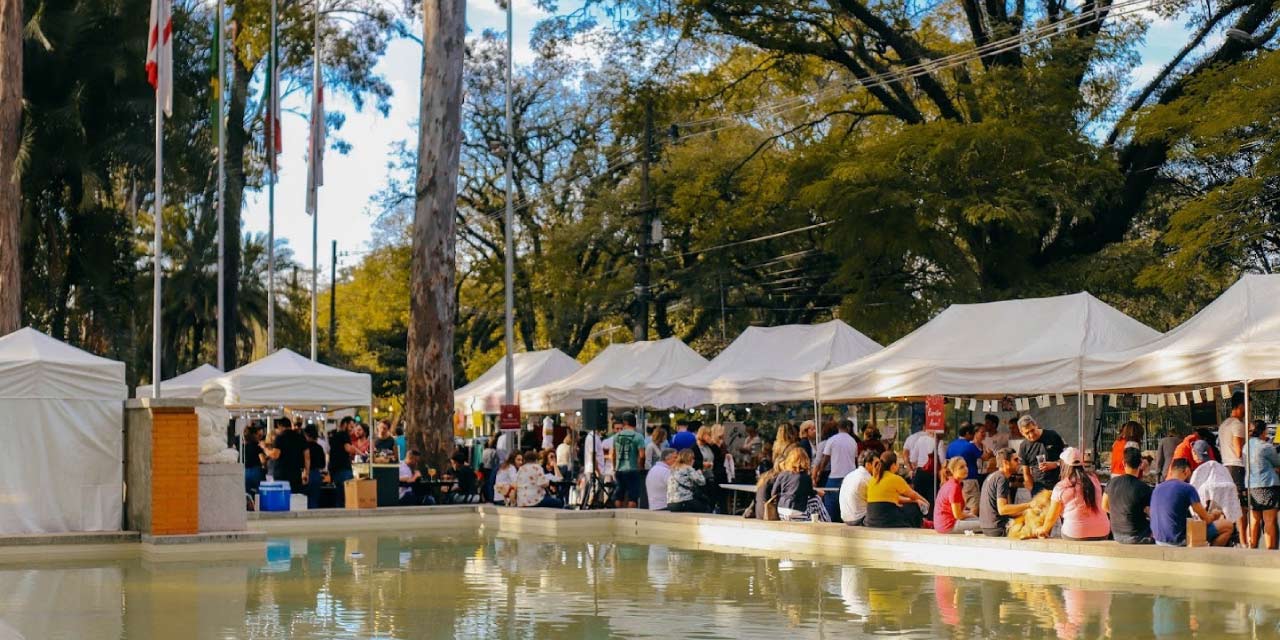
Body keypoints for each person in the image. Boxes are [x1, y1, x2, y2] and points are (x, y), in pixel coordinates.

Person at [1152, 458, 1234, 546]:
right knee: (1228, 526)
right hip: (1178, 540)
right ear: (1186, 471)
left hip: (1159, 540)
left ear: (1171, 471)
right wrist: (1215, 514)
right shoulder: (1188, 488)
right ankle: (1211, 555)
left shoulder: (1157, 488)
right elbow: (1207, 519)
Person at [1034, 447, 1109, 540]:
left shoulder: (1061, 487)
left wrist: (1043, 529)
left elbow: (1052, 516)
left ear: (1063, 465)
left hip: (1075, 533)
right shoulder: (1094, 479)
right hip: (1103, 531)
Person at [1188, 439, 1243, 531]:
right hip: (1224, 515)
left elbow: (1192, 492)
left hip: (1207, 518)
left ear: (1194, 452)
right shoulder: (1220, 467)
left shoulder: (1199, 470)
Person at [865, 451, 929, 528]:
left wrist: (915, 500)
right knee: (913, 508)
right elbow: (913, 495)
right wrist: (925, 502)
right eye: (897, 463)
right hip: (885, 520)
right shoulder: (895, 478)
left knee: (909, 505)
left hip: (871, 520)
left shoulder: (873, 478)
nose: (898, 465)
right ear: (893, 465)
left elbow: (894, 498)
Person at [1104, 447, 1154, 544]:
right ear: (1140, 465)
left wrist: (1119, 513)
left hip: (1117, 534)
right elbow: (1152, 513)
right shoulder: (1144, 488)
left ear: (1124, 463)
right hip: (1138, 535)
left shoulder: (1111, 483)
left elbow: (1104, 506)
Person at [813, 419, 859, 523]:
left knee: (831, 503)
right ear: (848, 428)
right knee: (848, 503)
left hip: (834, 476)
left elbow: (825, 459)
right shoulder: (853, 441)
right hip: (849, 477)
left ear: (838, 428)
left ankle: (831, 522)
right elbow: (855, 460)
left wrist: (820, 471)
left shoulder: (832, 440)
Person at [979, 448, 1031, 537]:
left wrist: (1026, 512)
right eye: (1015, 460)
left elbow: (1007, 510)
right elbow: (1003, 509)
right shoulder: (1002, 479)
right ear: (1005, 463)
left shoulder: (992, 476)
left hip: (987, 527)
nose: (1019, 462)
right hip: (998, 529)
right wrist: (1029, 505)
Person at [1245, 419, 1280, 549]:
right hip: (1267, 485)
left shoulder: (1246, 446)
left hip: (1251, 485)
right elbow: (1278, 462)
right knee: (1269, 520)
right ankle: (1270, 552)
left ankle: (1251, 547)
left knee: (1254, 518)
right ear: (1263, 431)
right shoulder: (1266, 447)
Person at [1017, 415, 1066, 495]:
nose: (1031, 435)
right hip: (1038, 488)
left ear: (1036, 425)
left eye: (1032, 430)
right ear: (1021, 433)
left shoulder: (1052, 435)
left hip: (1058, 485)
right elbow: (1026, 473)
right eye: (1027, 433)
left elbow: (1068, 460)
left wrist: (1055, 464)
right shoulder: (1023, 446)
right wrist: (1032, 490)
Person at [934, 457, 981, 533]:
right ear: (953, 471)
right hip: (948, 525)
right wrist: (970, 515)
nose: (966, 469)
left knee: (978, 520)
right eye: (961, 467)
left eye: (966, 466)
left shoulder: (952, 484)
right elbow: (958, 515)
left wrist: (969, 514)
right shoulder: (954, 487)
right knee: (987, 525)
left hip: (944, 524)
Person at [770, 448, 817, 521]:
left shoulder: (782, 474)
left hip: (782, 509)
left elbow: (773, 493)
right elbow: (811, 494)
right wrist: (818, 492)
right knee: (816, 500)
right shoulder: (806, 477)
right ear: (805, 461)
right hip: (798, 510)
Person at [945, 423, 983, 512]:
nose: (973, 437)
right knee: (973, 505)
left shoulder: (951, 445)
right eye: (972, 434)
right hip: (970, 479)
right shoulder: (970, 446)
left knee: (959, 505)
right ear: (967, 433)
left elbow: (946, 462)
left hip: (955, 480)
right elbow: (983, 457)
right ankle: (972, 523)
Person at [612, 414, 645, 508]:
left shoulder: (616, 436)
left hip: (619, 469)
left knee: (619, 495)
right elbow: (642, 455)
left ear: (625, 423)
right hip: (633, 469)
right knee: (633, 496)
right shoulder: (638, 436)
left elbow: (613, 454)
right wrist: (640, 467)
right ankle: (631, 516)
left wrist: (615, 467)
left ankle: (618, 515)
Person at [267, 417, 307, 493]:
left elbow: (275, 455)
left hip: (281, 473)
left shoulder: (280, 438)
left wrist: (265, 449)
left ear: (280, 426)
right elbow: (307, 457)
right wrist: (306, 472)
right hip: (296, 473)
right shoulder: (300, 437)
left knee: (282, 497)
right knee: (294, 497)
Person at [839, 451, 877, 525]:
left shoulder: (850, 475)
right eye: (876, 464)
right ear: (868, 464)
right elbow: (878, 499)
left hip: (846, 518)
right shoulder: (867, 478)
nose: (879, 467)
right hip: (859, 519)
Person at [328, 417, 356, 507]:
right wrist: (357, 452)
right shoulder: (344, 434)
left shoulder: (334, 435)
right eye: (351, 427)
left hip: (335, 470)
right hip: (344, 470)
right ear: (345, 425)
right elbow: (348, 448)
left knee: (339, 497)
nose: (352, 429)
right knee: (347, 496)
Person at [302, 424, 327, 509]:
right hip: (316, 474)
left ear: (306, 434)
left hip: (305, 473)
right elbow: (323, 464)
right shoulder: (319, 447)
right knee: (314, 500)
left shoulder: (304, 447)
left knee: (304, 499)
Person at [243, 425, 266, 495]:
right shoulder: (257, 446)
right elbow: (263, 460)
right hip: (256, 471)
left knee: (247, 493)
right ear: (254, 435)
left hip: (245, 471)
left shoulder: (243, 446)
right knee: (259, 493)